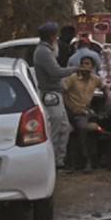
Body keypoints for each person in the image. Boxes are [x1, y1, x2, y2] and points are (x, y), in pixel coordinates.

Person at [32, 22, 78, 170]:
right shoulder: (43, 52)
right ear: (52, 36)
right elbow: (55, 72)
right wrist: (74, 69)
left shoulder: (48, 50)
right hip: (51, 95)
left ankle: (59, 160)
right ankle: (50, 162)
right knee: (56, 129)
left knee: (65, 127)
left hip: (55, 93)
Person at [61, 55, 106, 172]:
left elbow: (105, 87)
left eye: (87, 64)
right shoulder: (72, 78)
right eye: (83, 64)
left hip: (84, 112)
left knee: (90, 124)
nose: (85, 66)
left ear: (92, 67)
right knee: (79, 127)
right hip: (71, 112)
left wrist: (108, 98)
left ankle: (92, 159)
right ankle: (80, 161)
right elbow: (62, 90)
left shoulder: (95, 79)